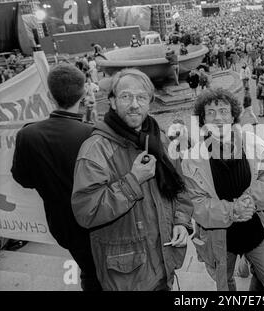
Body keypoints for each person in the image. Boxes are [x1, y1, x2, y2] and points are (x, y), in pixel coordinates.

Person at [71, 68, 194, 290]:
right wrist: (133, 180)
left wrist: (181, 222)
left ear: (150, 102)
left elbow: (181, 189)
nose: (134, 104)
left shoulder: (161, 140)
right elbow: (86, 211)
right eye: (126, 96)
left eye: (141, 97)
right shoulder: (95, 149)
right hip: (127, 277)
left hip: (164, 265)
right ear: (113, 102)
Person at [181, 88, 264, 291]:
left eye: (223, 111)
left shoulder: (254, 143)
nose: (218, 118)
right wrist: (233, 210)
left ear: (233, 116)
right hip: (219, 239)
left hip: (256, 231)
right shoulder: (192, 159)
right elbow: (197, 204)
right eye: (211, 113)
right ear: (203, 120)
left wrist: (248, 202)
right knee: (225, 283)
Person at [11, 64, 101, 291]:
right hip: (98, 223)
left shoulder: (27, 135)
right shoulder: (93, 134)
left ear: (50, 96)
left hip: (63, 226)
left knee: (89, 271)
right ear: (83, 94)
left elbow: (23, 179)